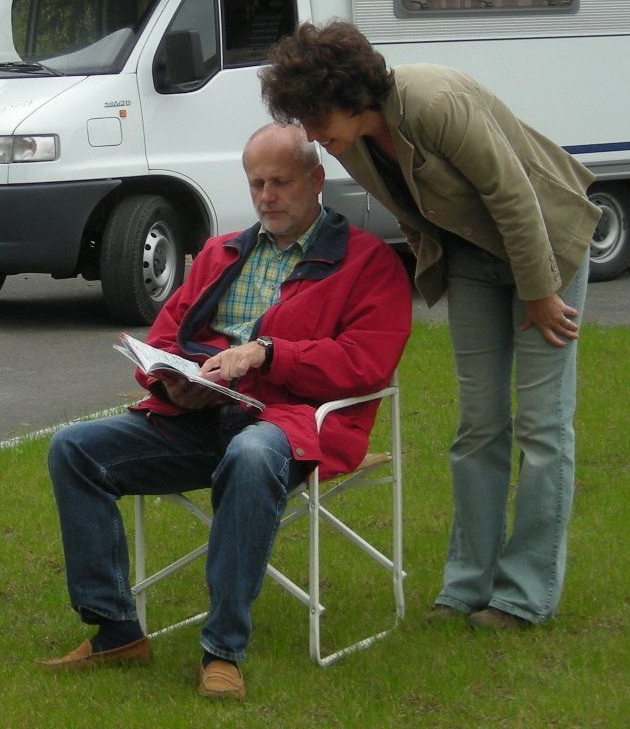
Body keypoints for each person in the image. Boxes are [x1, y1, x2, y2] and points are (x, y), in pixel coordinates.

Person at [40, 123, 411, 698]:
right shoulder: (221, 252)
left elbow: (365, 362)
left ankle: (223, 650)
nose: (266, 195)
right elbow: (165, 338)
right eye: (256, 183)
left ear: (317, 180)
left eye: (281, 182)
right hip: (197, 417)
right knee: (74, 448)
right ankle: (115, 630)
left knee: (252, 453)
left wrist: (269, 353)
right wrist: (170, 384)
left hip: (290, 425)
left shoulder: (367, 263)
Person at [260, 21, 600, 631]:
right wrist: (429, 262)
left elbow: (513, 195)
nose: (310, 134)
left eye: (315, 117)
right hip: (471, 258)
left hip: (548, 247)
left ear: (348, 94)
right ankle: (467, 588)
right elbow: (411, 211)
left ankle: (524, 597)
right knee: (478, 424)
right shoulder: (351, 143)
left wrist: (541, 293)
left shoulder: (433, 102)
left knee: (542, 426)